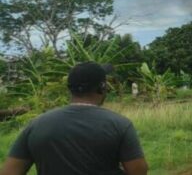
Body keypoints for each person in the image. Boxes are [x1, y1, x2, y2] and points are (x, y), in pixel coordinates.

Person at [0, 62, 148, 175]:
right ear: (102, 87)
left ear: (70, 88)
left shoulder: (37, 124)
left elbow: (9, 172)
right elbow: (138, 172)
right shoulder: (120, 124)